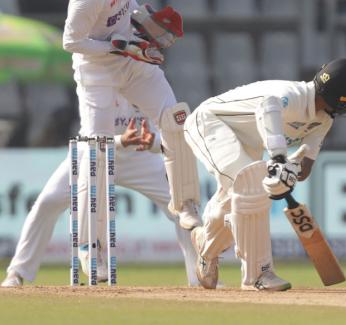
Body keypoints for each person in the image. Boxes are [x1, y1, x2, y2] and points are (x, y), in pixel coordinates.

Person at [61, 0, 202, 231]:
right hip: (97, 74)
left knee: (176, 120)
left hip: (131, 64)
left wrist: (147, 26)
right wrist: (118, 46)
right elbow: (70, 42)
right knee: (96, 152)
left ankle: (186, 203)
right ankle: (89, 244)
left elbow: (128, 10)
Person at [184, 58, 346, 290]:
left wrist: (289, 172)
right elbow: (267, 107)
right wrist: (279, 159)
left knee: (243, 194)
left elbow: (305, 168)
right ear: (337, 97)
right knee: (251, 188)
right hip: (211, 123)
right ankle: (258, 276)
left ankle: (206, 246)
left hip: (247, 140)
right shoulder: (291, 95)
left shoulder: (323, 120)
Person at [1, 96, 198, 287]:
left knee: (182, 206)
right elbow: (91, 137)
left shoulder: (145, 80)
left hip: (140, 156)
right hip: (92, 153)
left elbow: (168, 137)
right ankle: (17, 272)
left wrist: (153, 141)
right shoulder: (98, 80)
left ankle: (199, 277)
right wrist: (121, 140)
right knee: (48, 202)